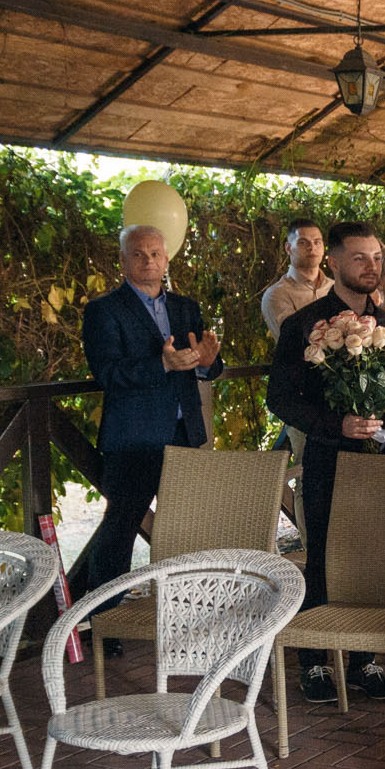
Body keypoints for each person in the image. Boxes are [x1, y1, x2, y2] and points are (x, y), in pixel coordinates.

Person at [267, 221, 385, 704]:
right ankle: (313, 660)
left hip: (379, 463)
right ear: (334, 263)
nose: (371, 266)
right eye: (359, 257)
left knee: (369, 559)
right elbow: (280, 399)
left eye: (376, 257)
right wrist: (334, 424)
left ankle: (363, 659)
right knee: (322, 557)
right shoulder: (304, 326)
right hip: (327, 457)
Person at [82, 224, 223, 596]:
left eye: (155, 254)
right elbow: (108, 373)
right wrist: (162, 364)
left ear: (167, 259)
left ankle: (189, 604)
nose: (148, 261)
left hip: (184, 433)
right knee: (120, 531)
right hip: (134, 439)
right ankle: (101, 617)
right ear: (122, 260)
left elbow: (208, 366)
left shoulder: (185, 307)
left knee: (189, 528)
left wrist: (207, 362)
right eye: (138, 254)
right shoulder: (103, 311)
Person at [259, 218, 331, 339]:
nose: (311, 247)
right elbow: (292, 341)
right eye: (302, 242)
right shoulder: (276, 294)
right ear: (288, 248)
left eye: (317, 242)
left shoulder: (336, 287)